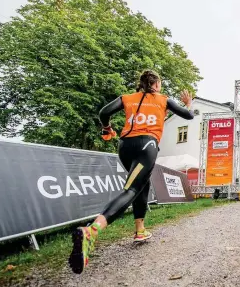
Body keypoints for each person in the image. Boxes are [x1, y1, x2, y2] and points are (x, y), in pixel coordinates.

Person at [68, 70, 195, 275]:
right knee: (131, 189)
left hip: (125, 146)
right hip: (147, 145)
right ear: (156, 84)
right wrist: (188, 103)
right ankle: (91, 231)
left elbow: (104, 112)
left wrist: (107, 128)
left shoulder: (127, 98)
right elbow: (188, 115)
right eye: (160, 83)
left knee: (141, 184)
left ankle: (140, 231)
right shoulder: (163, 100)